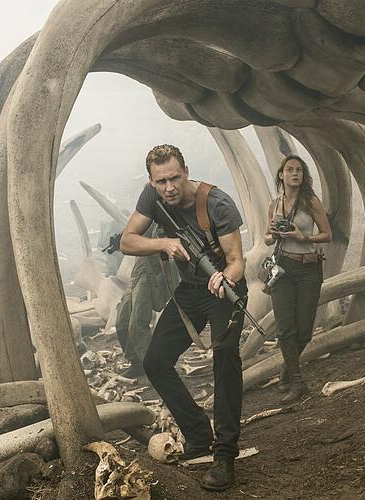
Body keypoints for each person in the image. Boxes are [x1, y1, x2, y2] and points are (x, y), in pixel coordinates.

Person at [120, 144, 247, 492]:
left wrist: (225, 279)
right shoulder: (152, 197)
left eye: (174, 178)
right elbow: (127, 241)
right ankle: (197, 433)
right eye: (161, 181)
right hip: (190, 291)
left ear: (186, 172)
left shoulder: (217, 203)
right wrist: (163, 244)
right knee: (155, 360)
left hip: (224, 288)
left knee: (225, 355)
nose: (169, 187)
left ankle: (225, 455)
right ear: (152, 181)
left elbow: (237, 260)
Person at [264, 155, 332, 404]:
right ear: (281, 175)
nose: (295, 174)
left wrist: (303, 237)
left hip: (308, 269)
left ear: (303, 176)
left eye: (299, 170)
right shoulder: (274, 204)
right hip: (282, 268)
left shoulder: (310, 201)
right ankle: (296, 381)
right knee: (285, 329)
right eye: (290, 170)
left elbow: (327, 235)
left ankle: (286, 370)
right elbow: (266, 238)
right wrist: (273, 234)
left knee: (304, 330)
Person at [114, 225, 174, 378]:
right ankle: (136, 363)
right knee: (122, 322)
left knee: (138, 323)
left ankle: (154, 366)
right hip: (137, 272)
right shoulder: (143, 218)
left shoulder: (161, 220)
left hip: (150, 273)